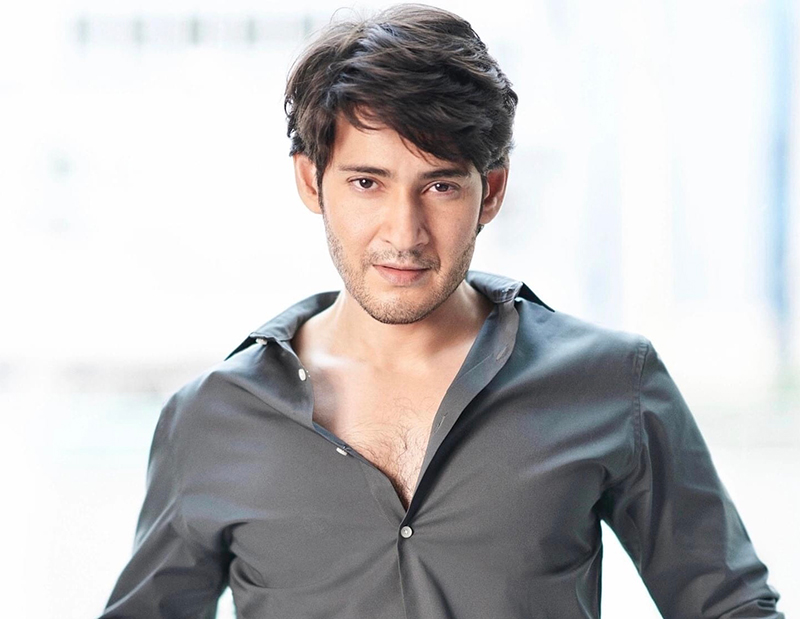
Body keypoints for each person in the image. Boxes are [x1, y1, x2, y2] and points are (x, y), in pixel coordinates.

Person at [100, 4, 783, 618]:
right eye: (367, 182)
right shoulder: (213, 417)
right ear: (311, 180)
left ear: (493, 191)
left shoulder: (611, 381)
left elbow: (731, 607)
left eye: (440, 186)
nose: (404, 233)